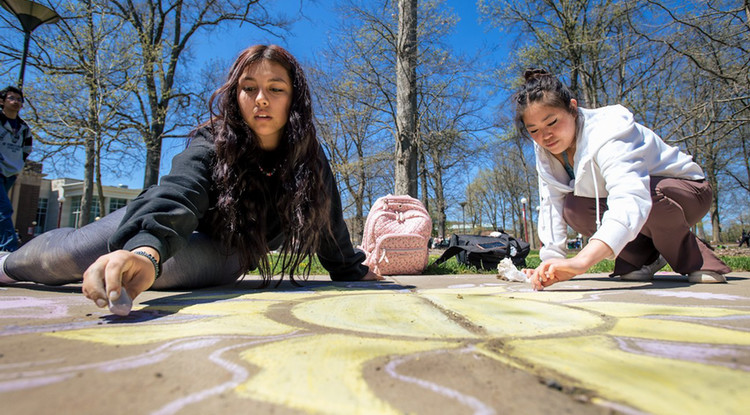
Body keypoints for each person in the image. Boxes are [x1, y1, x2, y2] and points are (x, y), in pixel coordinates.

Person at [0, 45, 380, 311]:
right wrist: (146, 248)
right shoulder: (212, 140)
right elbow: (181, 191)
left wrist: (351, 269)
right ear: (236, 95)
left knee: (151, 274)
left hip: (229, 251)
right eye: (249, 88)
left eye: (275, 89)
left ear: (293, 99)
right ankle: (6, 264)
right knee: (75, 252)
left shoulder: (309, 159)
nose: (261, 99)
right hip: (168, 223)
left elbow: (328, 223)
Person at [514, 69, 730, 290]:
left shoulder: (609, 127)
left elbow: (631, 196)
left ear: (572, 107)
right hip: (647, 200)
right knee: (574, 207)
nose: (545, 136)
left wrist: (582, 261)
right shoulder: (545, 150)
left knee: (649, 192)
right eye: (534, 130)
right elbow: (552, 203)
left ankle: (697, 259)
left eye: (552, 122)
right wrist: (551, 261)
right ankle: (645, 256)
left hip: (686, 192)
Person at [0, 86, 32, 252]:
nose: (16, 102)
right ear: (2, 101)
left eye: (19, 99)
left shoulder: (24, 128)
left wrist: (17, 163)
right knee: (4, 209)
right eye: (12, 98)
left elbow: (26, 150)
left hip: (10, 173)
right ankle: (8, 250)